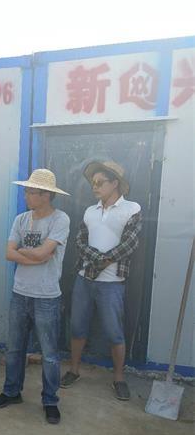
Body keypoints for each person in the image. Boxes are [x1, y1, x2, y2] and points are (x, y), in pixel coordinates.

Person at [0, 169, 70, 425]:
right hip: (20, 293)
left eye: (30, 192)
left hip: (47, 296)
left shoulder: (60, 219)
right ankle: (11, 391)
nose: (25, 195)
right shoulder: (21, 219)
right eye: (26, 191)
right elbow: (9, 253)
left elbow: (44, 253)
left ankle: (50, 400)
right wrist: (35, 255)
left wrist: (25, 252)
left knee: (49, 353)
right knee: (14, 349)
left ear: (45, 195)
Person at [60, 161, 142, 400]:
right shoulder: (90, 211)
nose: (94, 186)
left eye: (100, 182)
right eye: (92, 183)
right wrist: (98, 260)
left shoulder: (132, 209)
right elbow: (79, 241)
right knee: (77, 327)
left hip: (113, 282)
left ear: (115, 183)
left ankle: (119, 378)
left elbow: (130, 243)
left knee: (115, 332)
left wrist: (104, 261)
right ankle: (74, 370)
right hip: (84, 279)